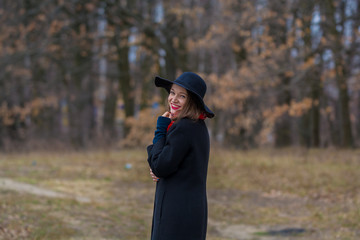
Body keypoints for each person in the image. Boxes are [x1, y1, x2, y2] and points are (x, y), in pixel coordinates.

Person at [147, 72, 215, 240]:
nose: (173, 99)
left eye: (182, 96)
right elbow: (169, 165)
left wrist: (161, 129)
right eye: (172, 93)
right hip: (188, 212)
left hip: (177, 215)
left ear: (192, 101)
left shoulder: (184, 127)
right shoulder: (197, 126)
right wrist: (160, 166)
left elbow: (160, 166)